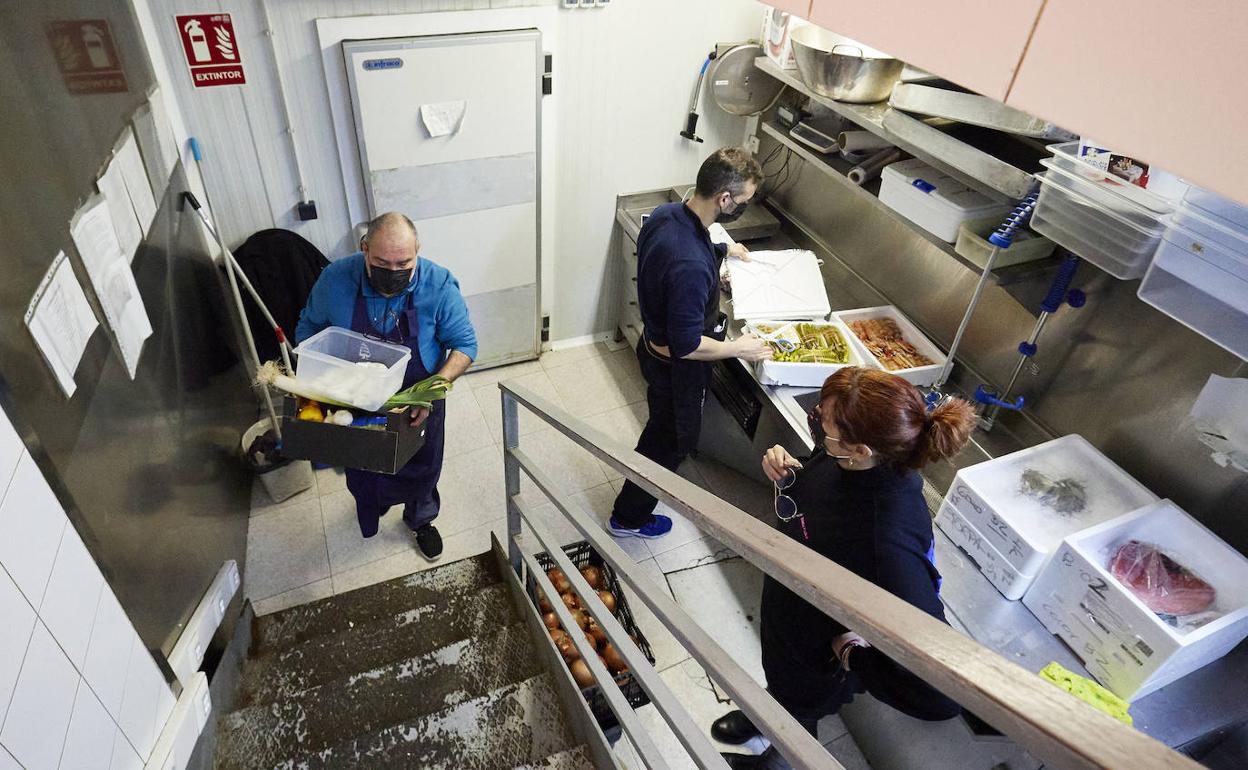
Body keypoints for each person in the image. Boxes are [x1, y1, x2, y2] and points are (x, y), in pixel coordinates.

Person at [711, 367, 976, 769]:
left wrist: (856, 657)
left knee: (800, 713)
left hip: (816, 652)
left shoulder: (886, 541)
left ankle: (783, 758)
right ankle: (767, 714)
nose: (816, 418)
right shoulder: (852, 459)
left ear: (861, 450)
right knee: (781, 687)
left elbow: (939, 695)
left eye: (826, 421)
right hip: (788, 614)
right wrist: (788, 467)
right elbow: (824, 479)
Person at [609, 147, 774, 540]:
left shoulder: (669, 214)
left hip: (651, 348)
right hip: (675, 368)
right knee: (667, 443)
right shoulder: (690, 267)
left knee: (660, 430)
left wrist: (722, 250)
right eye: (745, 201)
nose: (745, 207)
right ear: (725, 200)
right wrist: (739, 348)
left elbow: (685, 248)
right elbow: (686, 346)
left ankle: (638, 499)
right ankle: (628, 518)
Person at [296, 212, 476, 559]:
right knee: (363, 467)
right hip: (355, 396)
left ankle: (421, 519)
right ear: (364, 249)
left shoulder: (438, 285)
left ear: (417, 252)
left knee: (422, 466)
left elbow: (465, 346)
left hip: (418, 398)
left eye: (403, 263)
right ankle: (373, 505)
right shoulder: (335, 280)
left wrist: (431, 391)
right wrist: (322, 378)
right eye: (381, 262)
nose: (392, 272)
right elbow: (309, 327)